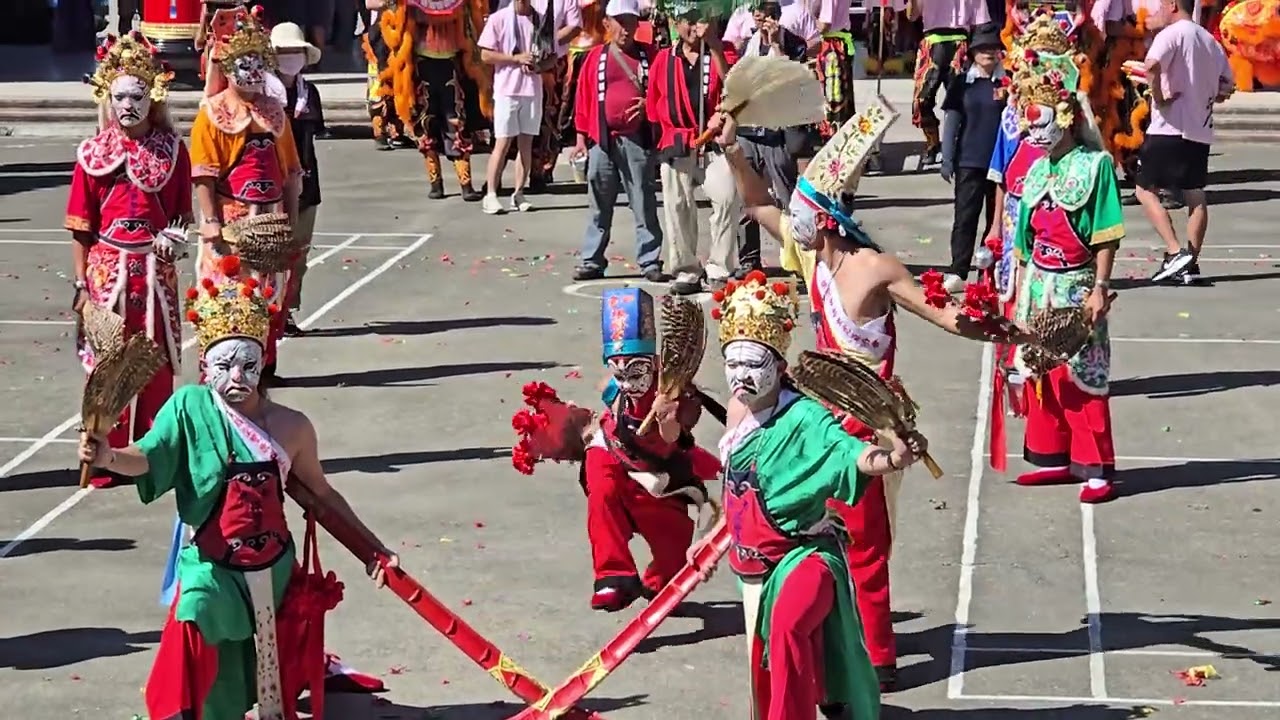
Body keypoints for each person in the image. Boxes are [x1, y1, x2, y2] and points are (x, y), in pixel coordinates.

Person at [711, 95, 1029, 693]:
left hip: (868, 421)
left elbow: (948, 315)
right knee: (811, 531)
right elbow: (755, 202)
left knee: (864, 540)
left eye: (802, 205)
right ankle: (840, 637)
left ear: (825, 215)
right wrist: (732, 146)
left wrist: (1014, 331)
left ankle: (878, 657)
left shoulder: (874, 268)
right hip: (814, 419)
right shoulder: (810, 255)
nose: (792, 215)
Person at [76, 263, 400, 719]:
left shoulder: (292, 427)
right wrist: (108, 456)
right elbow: (149, 456)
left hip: (274, 563)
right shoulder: (189, 407)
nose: (236, 377)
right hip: (211, 560)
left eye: (247, 365)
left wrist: (374, 550)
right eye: (223, 366)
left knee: (270, 671)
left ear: (263, 361)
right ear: (205, 365)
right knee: (195, 612)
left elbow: (322, 496)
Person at [685, 270, 929, 720]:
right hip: (751, 567)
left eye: (752, 364)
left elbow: (852, 456)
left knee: (787, 628)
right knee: (772, 662)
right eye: (732, 363)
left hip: (805, 557)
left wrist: (893, 458)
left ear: (779, 367)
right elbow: (741, 497)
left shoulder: (806, 420)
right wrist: (713, 537)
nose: (740, 375)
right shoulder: (740, 417)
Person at [67, 33, 192, 490]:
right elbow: (81, 227)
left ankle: (151, 455)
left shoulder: (173, 151)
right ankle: (103, 455)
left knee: (157, 363)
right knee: (109, 366)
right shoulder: (92, 154)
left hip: (155, 274)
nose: (127, 105)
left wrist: (174, 240)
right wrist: (81, 285)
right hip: (107, 271)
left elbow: (181, 215)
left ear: (152, 97)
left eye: (136, 95)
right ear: (107, 97)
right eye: (118, 96)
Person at [1007, 48, 1124, 504]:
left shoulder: (1096, 167)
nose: (1032, 133)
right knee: (1041, 371)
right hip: (1039, 283)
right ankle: (1051, 455)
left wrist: (1100, 287)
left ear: (1066, 116)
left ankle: (1096, 465)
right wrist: (1017, 291)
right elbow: (1024, 240)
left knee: (1082, 374)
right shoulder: (1037, 170)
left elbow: (1106, 233)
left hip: (1076, 284)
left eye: (1038, 122)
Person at [583, 289, 719, 610]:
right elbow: (605, 387)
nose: (627, 381)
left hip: (657, 473)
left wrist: (666, 416)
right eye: (620, 371)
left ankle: (657, 582)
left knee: (673, 542)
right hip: (613, 456)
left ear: (656, 363)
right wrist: (596, 419)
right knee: (601, 490)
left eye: (636, 371)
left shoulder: (678, 397)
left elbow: (673, 438)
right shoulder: (617, 385)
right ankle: (613, 577)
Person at [190, 7, 302, 382]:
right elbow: (204, 175)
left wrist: (291, 223)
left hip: (270, 219)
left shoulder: (274, 112)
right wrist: (210, 222)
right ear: (228, 65)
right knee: (227, 297)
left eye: (258, 63)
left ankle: (262, 368)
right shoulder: (212, 113)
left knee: (267, 295)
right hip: (231, 219)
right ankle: (218, 370)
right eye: (244, 63)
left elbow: (289, 175)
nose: (252, 72)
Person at [1136, 0, 1233, 285]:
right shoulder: (1208, 39)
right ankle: (1190, 264)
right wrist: (1207, 92)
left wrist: (1159, 96)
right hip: (1199, 128)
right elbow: (1227, 85)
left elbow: (1152, 65)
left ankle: (1176, 251)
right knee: (1195, 194)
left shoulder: (1172, 33)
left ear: (1172, 5)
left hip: (1169, 127)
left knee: (1144, 189)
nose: (1156, 12)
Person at [569, 0, 664, 283]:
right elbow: (583, 99)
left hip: (637, 140)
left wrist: (650, 104)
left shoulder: (651, 56)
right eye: (620, 21)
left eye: (631, 21)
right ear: (607, 23)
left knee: (643, 201)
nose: (626, 28)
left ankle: (649, 260)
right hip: (602, 140)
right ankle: (592, 259)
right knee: (599, 203)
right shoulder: (595, 57)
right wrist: (580, 139)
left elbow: (663, 92)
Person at [647, 6, 739, 295]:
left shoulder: (723, 51)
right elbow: (654, 104)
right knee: (677, 206)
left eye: (699, 20)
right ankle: (686, 269)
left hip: (713, 140)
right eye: (686, 21)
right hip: (677, 141)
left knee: (727, 197)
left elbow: (736, 91)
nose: (693, 28)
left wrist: (713, 47)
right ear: (676, 23)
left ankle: (719, 267)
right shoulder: (663, 59)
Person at [368, 0, 491, 201]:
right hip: (421, 67)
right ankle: (436, 183)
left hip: (451, 66)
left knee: (456, 122)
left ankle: (465, 184)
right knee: (425, 124)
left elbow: (471, 29)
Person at [733, 0, 812, 280]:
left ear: (776, 16)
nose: (758, 17)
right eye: (755, 11)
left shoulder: (795, 44)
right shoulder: (747, 46)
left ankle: (800, 255)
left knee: (787, 196)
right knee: (747, 198)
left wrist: (777, 45)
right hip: (749, 130)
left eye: (764, 12)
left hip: (777, 132)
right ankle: (749, 259)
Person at [938, 23, 1004, 292]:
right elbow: (952, 121)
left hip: (1001, 163)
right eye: (983, 48)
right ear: (973, 53)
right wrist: (947, 157)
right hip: (969, 160)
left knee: (996, 220)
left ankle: (991, 269)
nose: (989, 53)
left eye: (993, 48)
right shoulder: (962, 83)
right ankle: (959, 270)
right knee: (965, 218)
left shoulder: (1008, 82)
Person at [270, 22, 325, 334]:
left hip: (307, 181)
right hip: (274, 183)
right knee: (272, 250)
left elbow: (313, 133)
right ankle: (269, 308)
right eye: (284, 51)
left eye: (296, 51)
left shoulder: (310, 92)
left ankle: (288, 310)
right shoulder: (264, 93)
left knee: (299, 253)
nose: (290, 57)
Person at [478, 0, 549, 214]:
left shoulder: (541, 20)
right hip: (507, 90)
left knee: (526, 145)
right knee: (502, 143)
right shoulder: (498, 18)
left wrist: (540, 66)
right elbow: (485, 55)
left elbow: (552, 56)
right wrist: (514, 58)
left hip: (532, 89)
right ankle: (490, 194)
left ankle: (519, 193)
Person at [905, 0, 989, 163]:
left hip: (959, 43)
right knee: (921, 100)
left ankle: (957, 143)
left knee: (960, 101)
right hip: (932, 43)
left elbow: (980, 22)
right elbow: (912, 15)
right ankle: (932, 142)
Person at [529, 0, 584, 189]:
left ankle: (542, 169)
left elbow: (575, 26)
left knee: (549, 118)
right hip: (521, 61)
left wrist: (547, 39)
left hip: (554, 63)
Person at [363, 0, 413, 150]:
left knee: (400, 81)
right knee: (380, 82)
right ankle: (380, 130)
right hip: (382, 33)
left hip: (403, 30)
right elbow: (370, 3)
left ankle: (397, 131)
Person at [814, 0, 854, 141]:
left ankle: (833, 138)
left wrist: (809, 19)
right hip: (838, 43)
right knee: (841, 94)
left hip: (831, 48)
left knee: (833, 98)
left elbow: (825, 24)